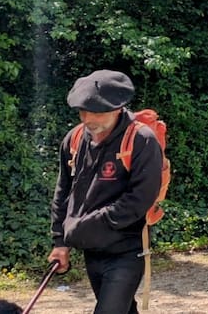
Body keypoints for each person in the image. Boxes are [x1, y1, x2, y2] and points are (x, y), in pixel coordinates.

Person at [48, 70, 164, 314]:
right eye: (82, 111)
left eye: (96, 112)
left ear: (117, 108)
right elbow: (63, 191)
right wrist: (60, 241)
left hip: (127, 250)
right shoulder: (75, 139)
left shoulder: (142, 140)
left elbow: (139, 200)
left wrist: (87, 226)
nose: (88, 119)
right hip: (92, 251)